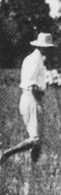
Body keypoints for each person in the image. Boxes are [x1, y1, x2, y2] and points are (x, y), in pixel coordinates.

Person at [1, 32, 56, 164]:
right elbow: (32, 84)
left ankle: (34, 167)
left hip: (31, 98)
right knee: (36, 139)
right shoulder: (35, 60)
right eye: (48, 48)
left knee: (38, 140)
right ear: (43, 47)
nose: (50, 51)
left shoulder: (35, 59)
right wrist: (38, 100)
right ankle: (6, 154)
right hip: (32, 98)